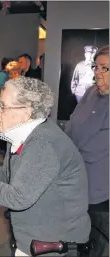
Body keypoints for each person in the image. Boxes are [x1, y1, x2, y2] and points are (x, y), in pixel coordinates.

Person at [0, 76, 91, 256]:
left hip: (55, 246)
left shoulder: (43, 144)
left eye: (3, 106)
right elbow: (11, 174)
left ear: (27, 111)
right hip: (37, 240)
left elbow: (17, 197)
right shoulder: (22, 134)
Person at [65, 45, 109, 257]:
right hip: (78, 182)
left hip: (101, 189)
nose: (97, 72)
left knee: (96, 243)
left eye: (104, 68)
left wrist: (72, 153)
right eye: (96, 67)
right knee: (77, 240)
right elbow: (72, 124)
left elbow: (97, 148)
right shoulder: (91, 92)